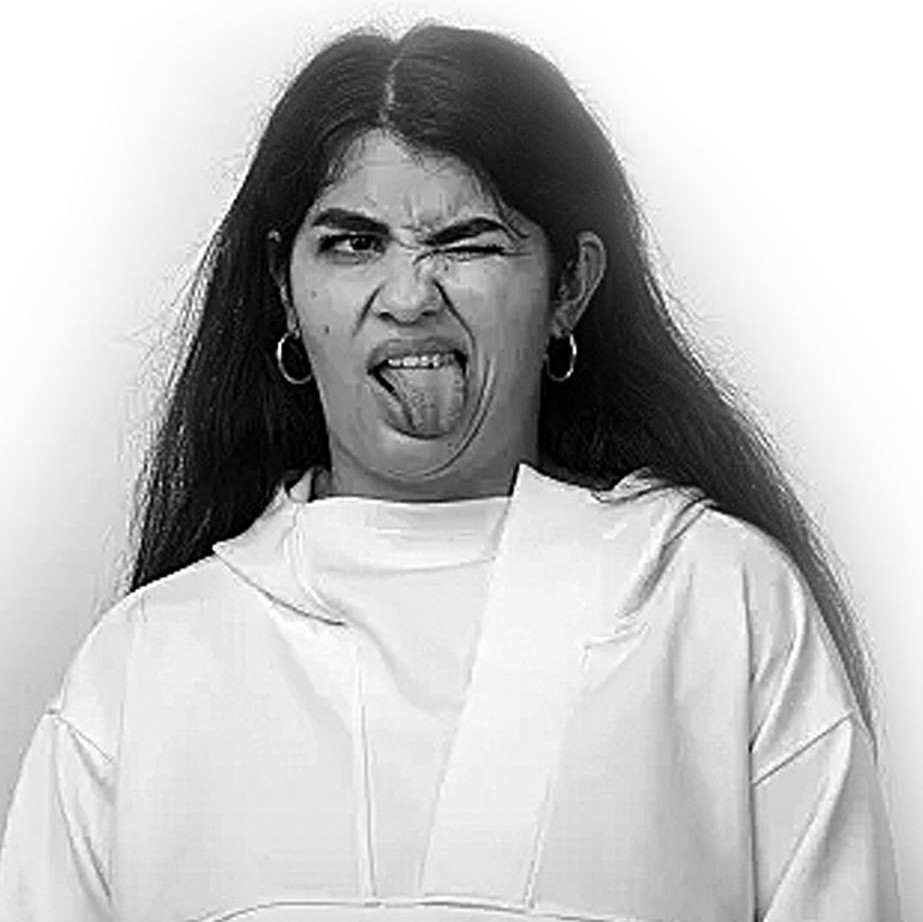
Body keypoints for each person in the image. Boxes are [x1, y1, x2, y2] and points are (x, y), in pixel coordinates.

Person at [0, 22, 902, 922]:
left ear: (569, 287)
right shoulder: (146, 664)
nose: (408, 297)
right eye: (353, 243)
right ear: (284, 288)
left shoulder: (717, 604)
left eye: (468, 243)